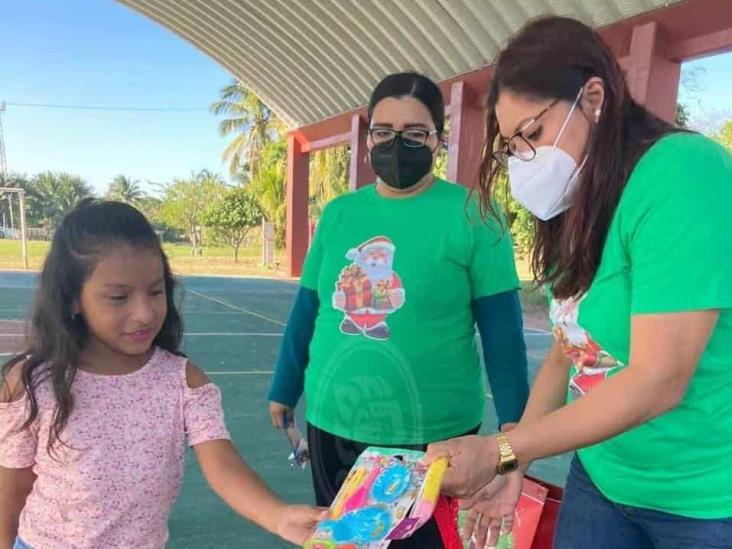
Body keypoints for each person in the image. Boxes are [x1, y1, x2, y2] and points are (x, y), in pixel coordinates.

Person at [424, 16, 732, 549]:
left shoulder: (681, 174)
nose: (524, 159)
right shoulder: (578, 204)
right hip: (604, 480)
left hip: (704, 500)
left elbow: (659, 379)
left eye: (534, 134)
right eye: (512, 146)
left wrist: (502, 449)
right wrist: (515, 460)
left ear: (594, 98)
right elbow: (568, 353)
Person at [268, 72, 530, 547]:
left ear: (437, 139)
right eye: (384, 132)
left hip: (435, 441)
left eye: (414, 133)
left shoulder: (475, 214)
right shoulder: (339, 215)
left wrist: (515, 442)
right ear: (369, 138)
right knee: (346, 541)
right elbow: (308, 309)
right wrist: (283, 386)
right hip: (334, 424)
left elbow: (504, 338)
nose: (396, 144)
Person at [0, 200, 325, 549]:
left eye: (155, 291)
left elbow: (222, 465)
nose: (144, 313)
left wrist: (277, 516)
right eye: (119, 297)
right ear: (71, 298)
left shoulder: (184, 382)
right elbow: (11, 490)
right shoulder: (32, 384)